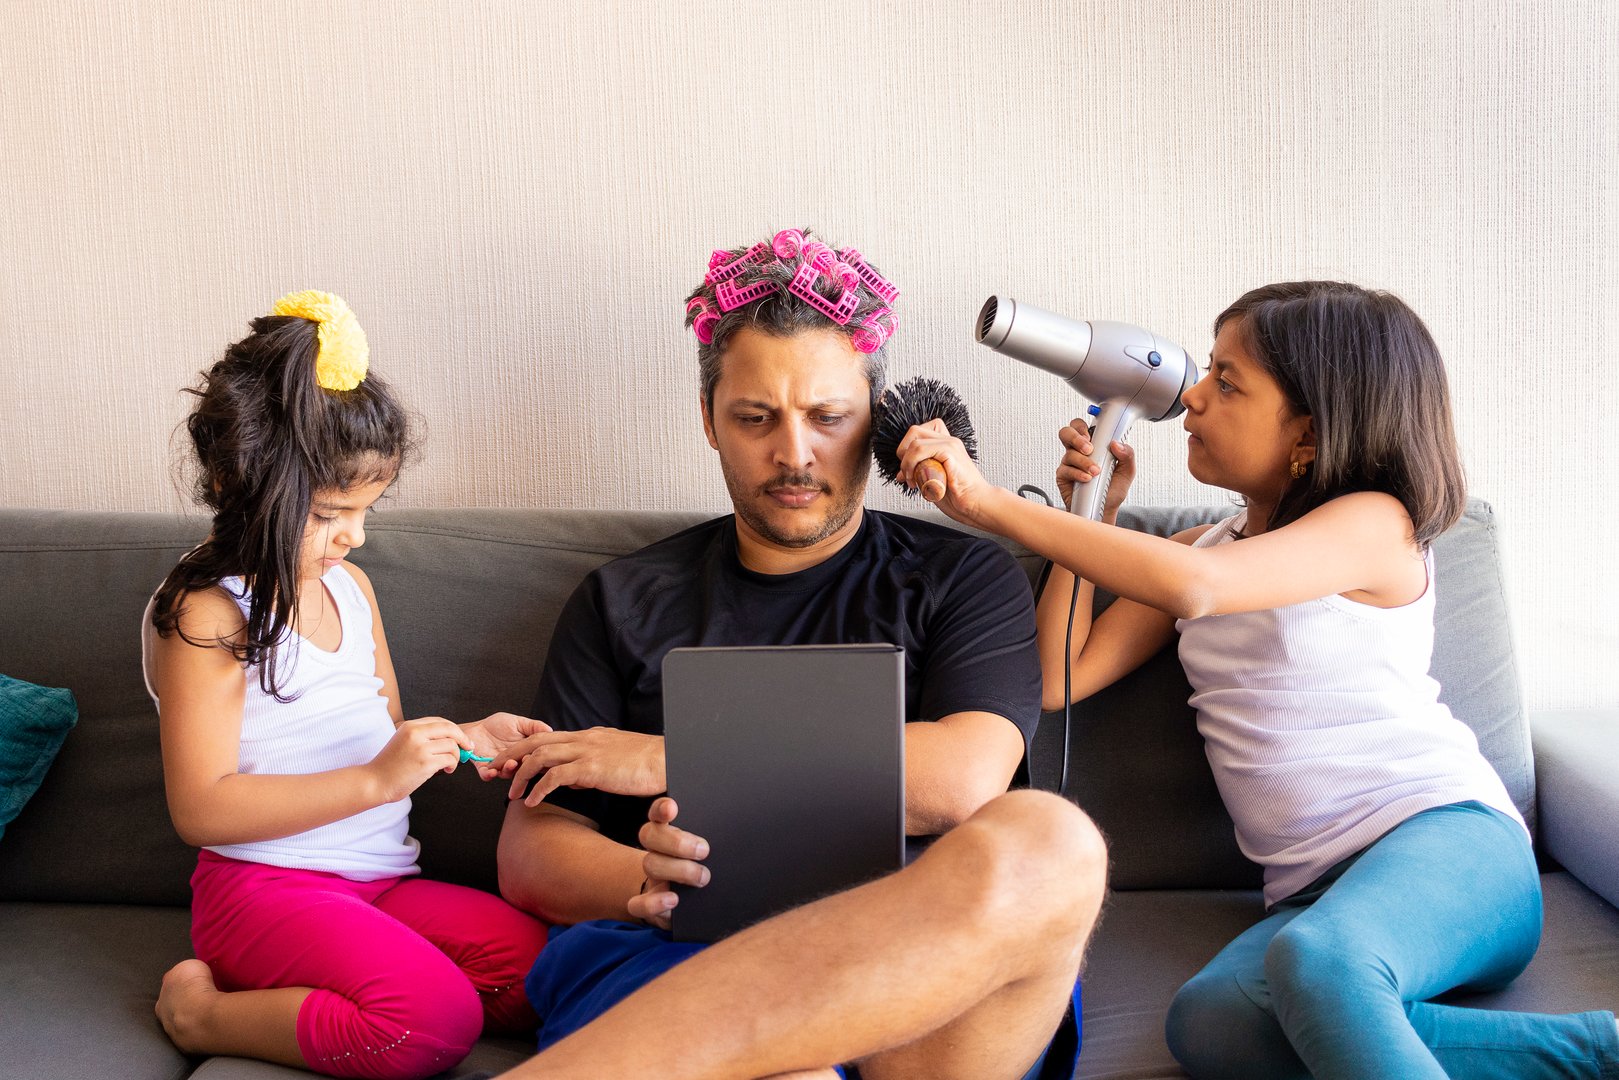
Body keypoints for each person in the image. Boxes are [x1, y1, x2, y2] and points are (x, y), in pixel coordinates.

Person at [896, 280, 1619, 1079]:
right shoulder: (1207, 546)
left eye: (1226, 381)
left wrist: (988, 501)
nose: (1193, 399)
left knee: (1322, 966)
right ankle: (1588, 1053)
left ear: (1307, 432)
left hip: (1450, 844)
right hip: (1314, 899)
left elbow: (1196, 590)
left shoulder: (1374, 523)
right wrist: (1086, 510)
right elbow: (1058, 677)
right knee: (1211, 1023)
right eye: (1204, 371)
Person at [487, 229, 1107, 1080]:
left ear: (878, 424)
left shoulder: (962, 577)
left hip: (911, 956)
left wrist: (666, 761)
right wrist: (647, 878)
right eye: (755, 418)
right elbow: (531, 846)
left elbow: (963, 780)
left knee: (1053, 839)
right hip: (686, 955)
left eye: (827, 418)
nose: (793, 453)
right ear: (709, 421)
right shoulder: (621, 599)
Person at [143, 291, 550, 1080]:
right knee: (433, 1022)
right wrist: (374, 779)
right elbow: (201, 808)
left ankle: (331, 984)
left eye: (366, 509)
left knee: (550, 976)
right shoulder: (210, 613)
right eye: (330, 513)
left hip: (378, 879)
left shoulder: (352, 590)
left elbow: (384, 737)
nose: (355, 535)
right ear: (241, 483)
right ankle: (203, 1014)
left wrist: (463, 740)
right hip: (262, 888)